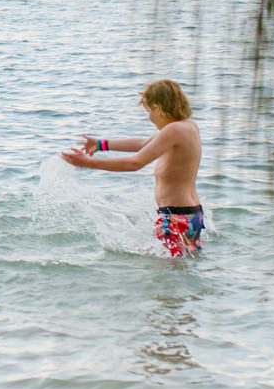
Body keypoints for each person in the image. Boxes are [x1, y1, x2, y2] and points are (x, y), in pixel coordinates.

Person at [61, 78, 204, 256]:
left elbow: (135, 163)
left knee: (166, 275)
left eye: (149, 111)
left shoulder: (174, 130)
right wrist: (101, 144)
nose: (149, 117)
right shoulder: (187, 127)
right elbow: (142, 144)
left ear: (158, 109)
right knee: (177, 271)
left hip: (176, 217)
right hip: (188, 214)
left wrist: (88, 163)